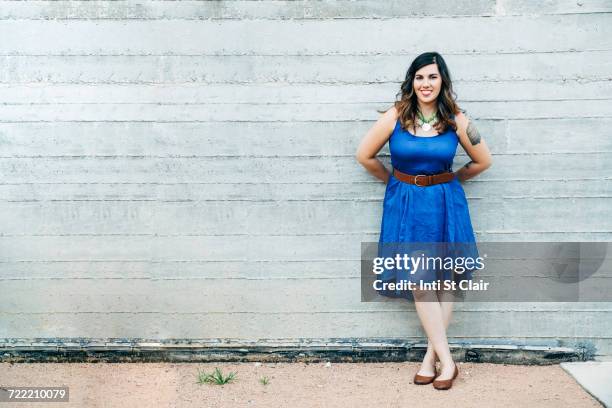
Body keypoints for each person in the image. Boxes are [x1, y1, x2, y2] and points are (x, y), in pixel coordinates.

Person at [355, 52, 492, 390]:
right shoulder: (395, 116)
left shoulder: (458, 119)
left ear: (442, 80)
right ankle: (448, 361)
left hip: (445, 203)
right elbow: (365, 155)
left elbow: (482, 160)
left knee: (444, 281)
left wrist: (453, 180)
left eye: (432, 77)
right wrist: (394, 182)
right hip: (406, 205)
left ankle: (431, 359)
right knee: (421, 283)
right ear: (411, 82)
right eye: (419, 77)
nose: (425, 84)